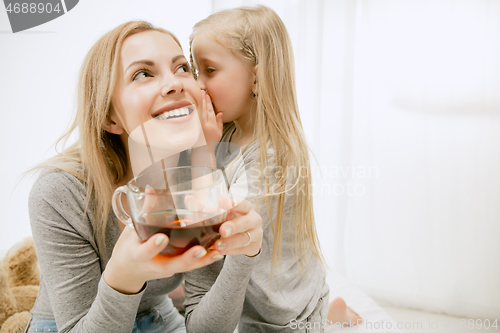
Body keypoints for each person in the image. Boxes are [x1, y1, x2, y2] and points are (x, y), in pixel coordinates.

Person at [26, 21, 262, 333]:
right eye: (142, 74)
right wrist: (123, 275)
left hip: (156, 316)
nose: (175, 83)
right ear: (109, 116)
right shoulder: (59, 192)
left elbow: (207, 328)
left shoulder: (201, 175)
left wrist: (244, 254)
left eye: (181, 68)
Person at [183, 5, 361, 332]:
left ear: (256, 77)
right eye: (195, 71)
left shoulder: (272, 155)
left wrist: (201, 153)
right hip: (262, 294)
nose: (198, 85)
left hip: (283, 312)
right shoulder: (228, 132)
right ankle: (332, 313)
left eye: (209, 70)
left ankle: (330, 319)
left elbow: (218, 229)